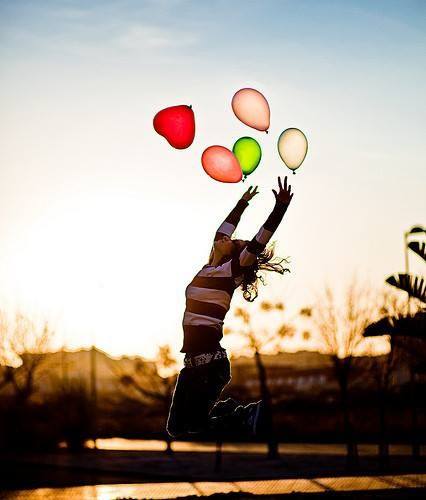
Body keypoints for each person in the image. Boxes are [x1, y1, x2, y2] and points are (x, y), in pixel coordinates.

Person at [167, 176, 294, 438]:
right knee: (176, 428)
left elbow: (259, 241)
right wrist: (242, 203)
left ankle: (244, 415)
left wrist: (280, 207)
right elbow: (222, 231)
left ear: (233, 254)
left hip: (210, 367)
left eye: (232, 242)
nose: (227, 238)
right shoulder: (208, 268)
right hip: (192, 367)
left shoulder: (229, 272)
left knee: (194, 425)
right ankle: (229, 410)